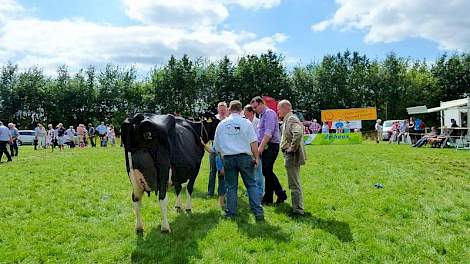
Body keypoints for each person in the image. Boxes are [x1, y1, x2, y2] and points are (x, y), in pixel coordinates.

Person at [213, 100, 264, 220]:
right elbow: (253, 142)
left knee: (231, 186)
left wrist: (222, 158)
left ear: (229, 110)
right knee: (251, 184)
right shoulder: (246, 123)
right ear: (241, 110)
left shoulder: (221, 124)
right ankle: (258, 212)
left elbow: (217, 146)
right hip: (245, 157)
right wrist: (256, 157)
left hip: (228, 158)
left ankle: (231, 212)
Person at [251, 96, 287, 205]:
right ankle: (268, 198)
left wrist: (260, 148)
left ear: (261, 103)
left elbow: (268, 133)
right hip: (266, 146)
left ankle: (281, 194)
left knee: (266, 171)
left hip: (270, 146)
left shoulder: (269, 113)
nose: (254, 110)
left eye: (255, 107)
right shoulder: (262, 115)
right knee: (267, 171)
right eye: (253, 108)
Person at [278, 100, 307, 216]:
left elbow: (298, 133)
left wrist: (292, 148)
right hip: (289, 155)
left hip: (292, 156)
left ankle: (298, 210)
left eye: (279, 108)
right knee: (294, 182)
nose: (278, 111)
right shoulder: (288, 119)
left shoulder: (291, 119)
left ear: (286, 108)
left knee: (294, 183)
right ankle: (297, 208)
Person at [207, 102, 228, 199]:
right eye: (221, 109)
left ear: (227, 109)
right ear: (217, 109)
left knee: (222, 171)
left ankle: (221, 192)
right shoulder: (213, 119)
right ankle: (210, 192)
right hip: (214, 148)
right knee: (212, 171)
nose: (222, 111)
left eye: (224, 109)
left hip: (225, 150)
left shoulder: (229, 120)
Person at [244, 104, 264, 200]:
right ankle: (250, 192)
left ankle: (260, 192)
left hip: (256, 149)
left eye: (245, 111)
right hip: (247, 150)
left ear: (250, 112)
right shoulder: (244, 122)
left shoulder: (258, 122)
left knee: (258, 172)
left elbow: (259, 136)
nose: (244, 113)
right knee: (249, 172)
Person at [201, 139, 225, 209]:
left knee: (221, 175)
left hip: (221, 152)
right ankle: (210, 192)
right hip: (214, 150)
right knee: (212, 171)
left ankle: (221, 194)